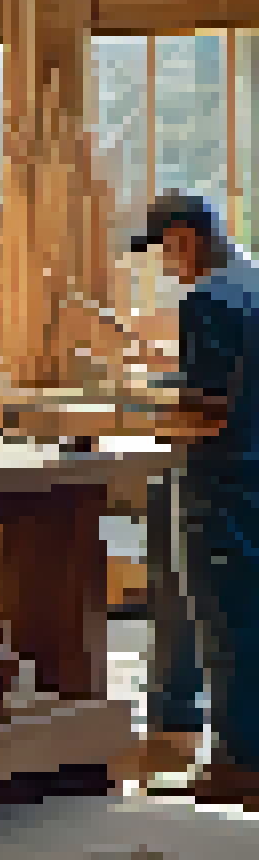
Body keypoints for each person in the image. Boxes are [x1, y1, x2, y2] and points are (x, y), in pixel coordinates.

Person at [123, 193, 259, 803]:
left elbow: (205, 410)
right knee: (249, 619)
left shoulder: (205, 300)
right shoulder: (252, 282)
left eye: (165, 250)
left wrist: (137, 407)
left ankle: (237, 764)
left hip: (221, 479)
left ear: (186, 237)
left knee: (222, 624)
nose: (167, 265)